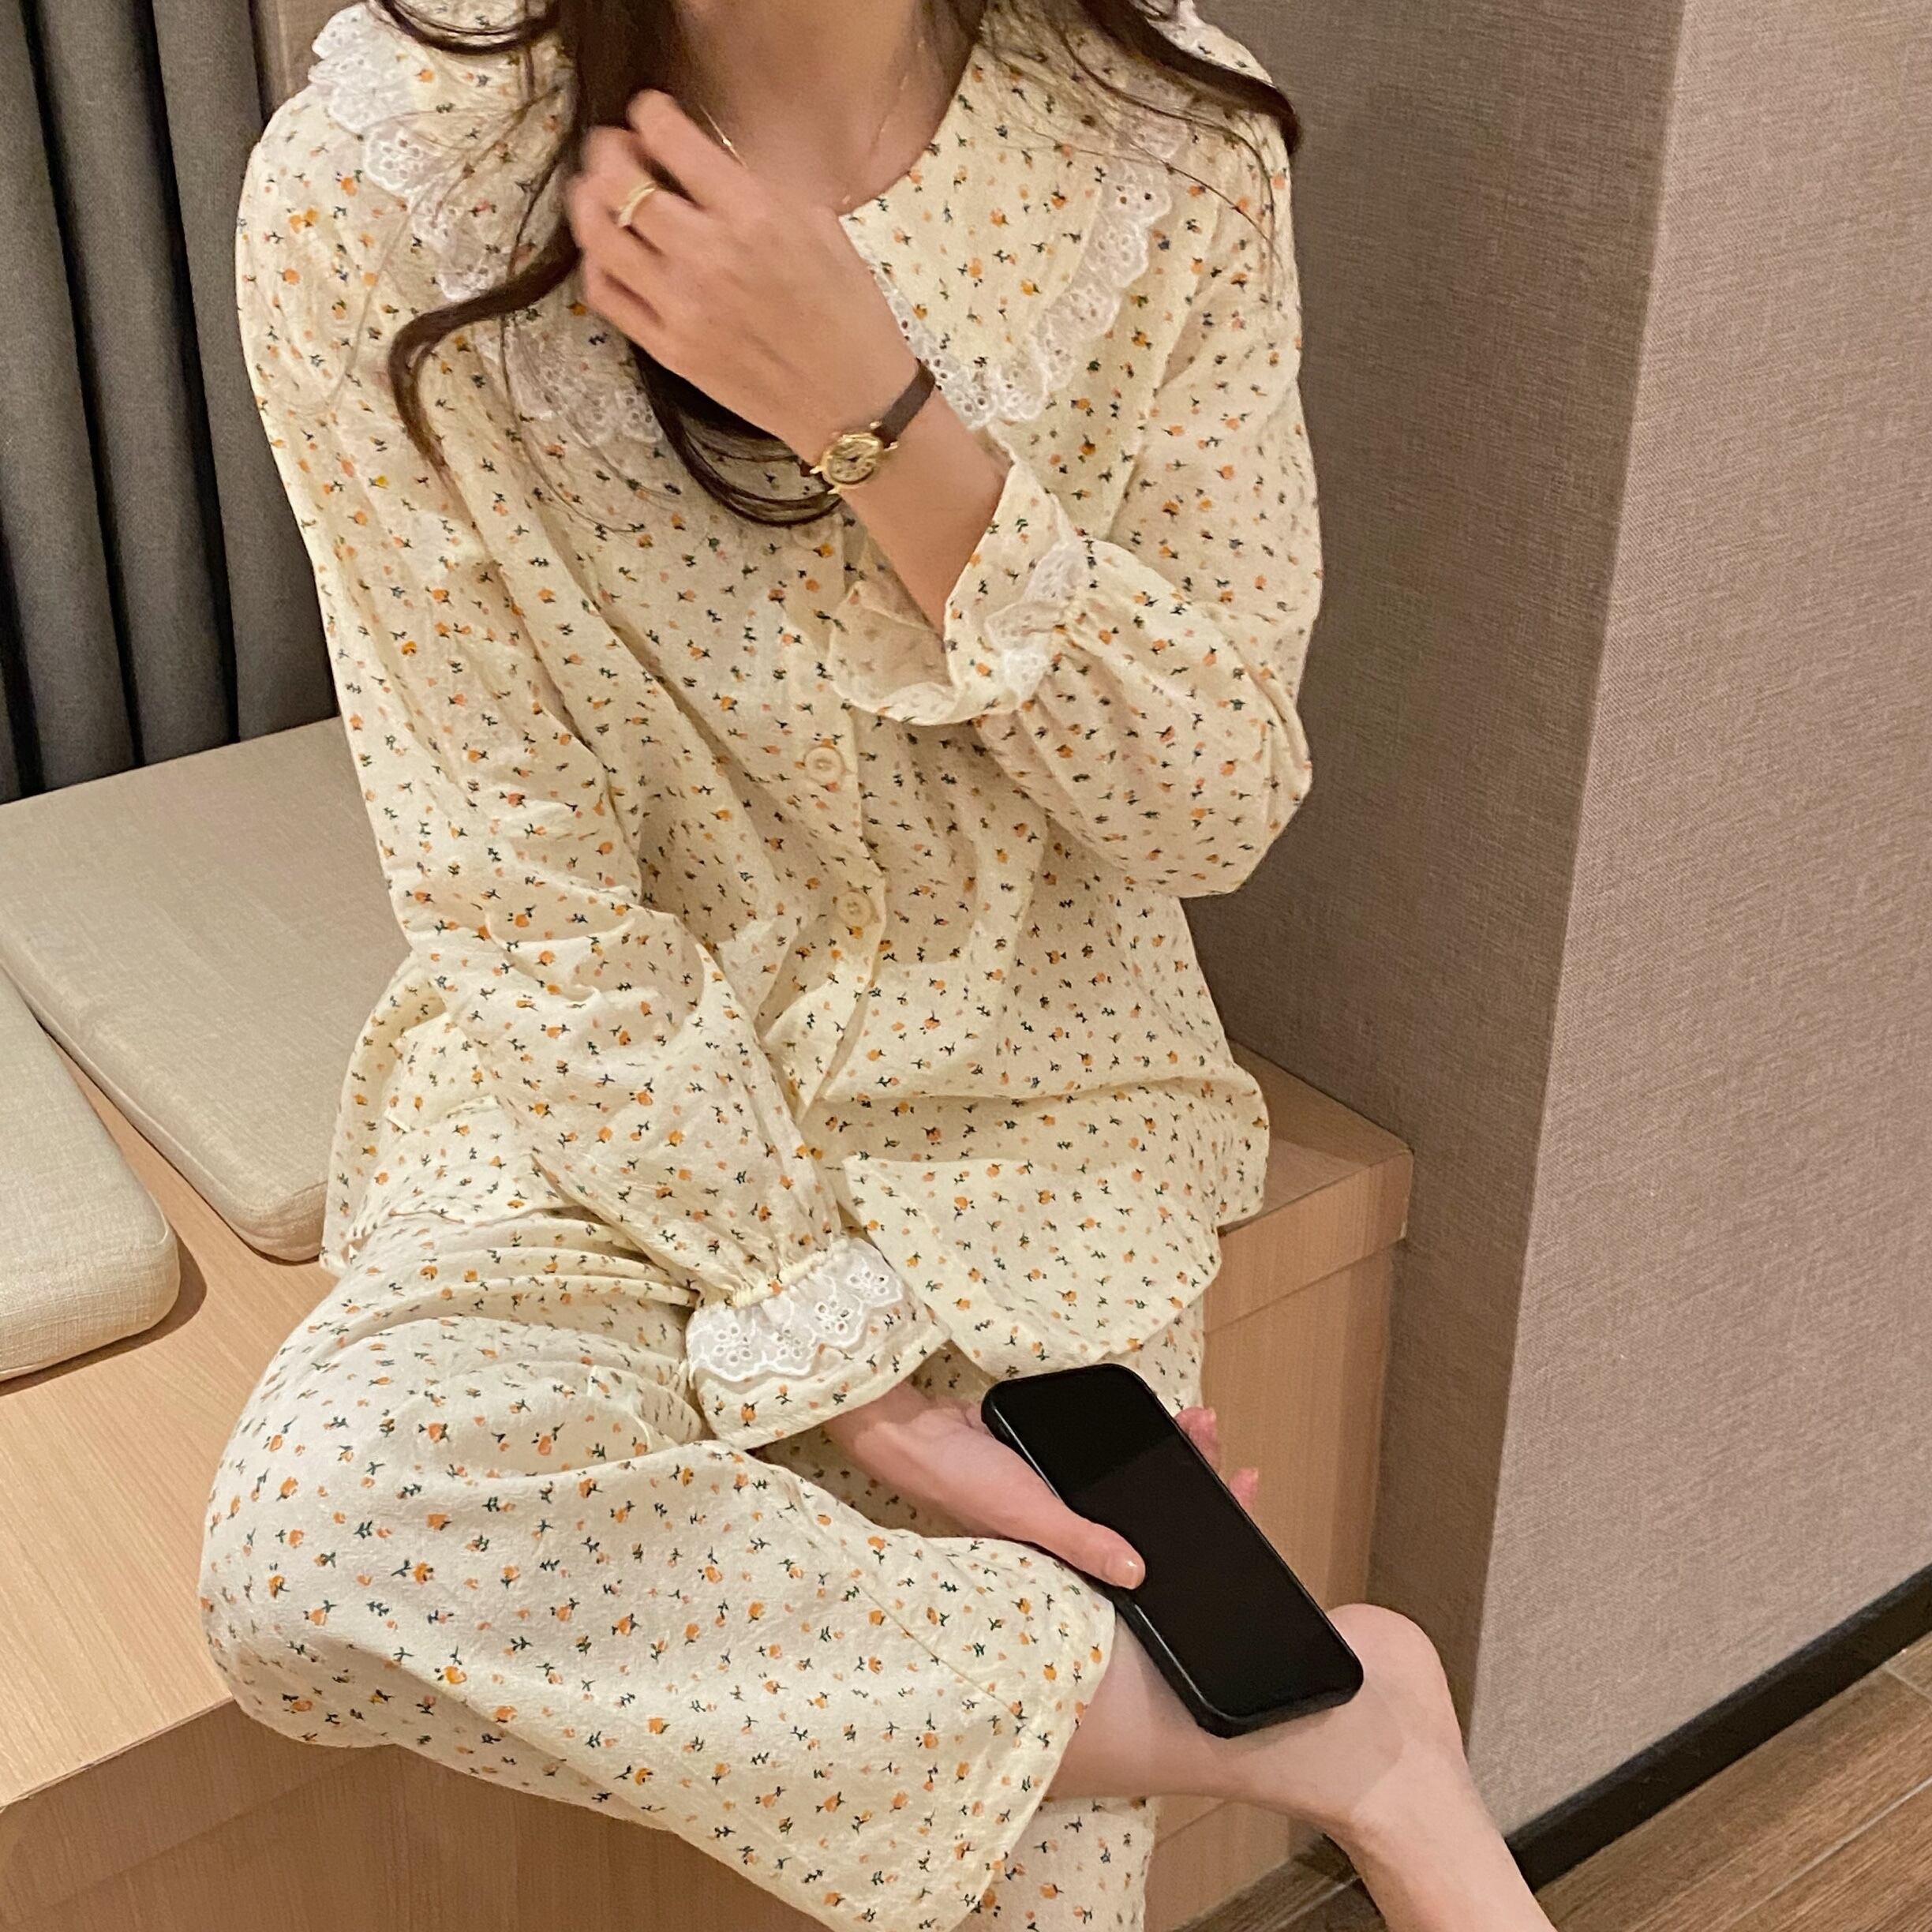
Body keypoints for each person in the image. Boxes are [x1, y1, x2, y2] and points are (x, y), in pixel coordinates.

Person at [199, 2, 1556, 1927]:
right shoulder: (383, 185)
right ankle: (1322, 1733)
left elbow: (1213, 805)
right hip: (613, 1107)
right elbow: (514, 887)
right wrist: (845, 1360)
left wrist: (880, 419)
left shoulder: (1167, 147)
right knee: (323, 1537)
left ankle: (1275, 1715)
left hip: (1033, 1087)